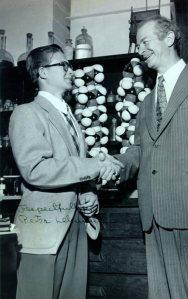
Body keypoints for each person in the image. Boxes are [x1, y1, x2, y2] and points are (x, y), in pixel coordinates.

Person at [109, 15, 188, 298]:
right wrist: (113, 163)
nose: (139, 49)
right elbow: (140, 151)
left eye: (145, 41)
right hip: (154, 216)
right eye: (137, 44)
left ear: (169, 38)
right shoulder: (146, 102)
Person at [9, 44, 123, 299]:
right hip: (43, 232)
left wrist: (88, 193)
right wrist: (95, 165)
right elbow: (35, 170)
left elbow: (73, 168)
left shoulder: (69, 116)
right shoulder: (27, 113)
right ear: (43, 73)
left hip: (75, 227)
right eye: (63, 64)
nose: (70, 70)